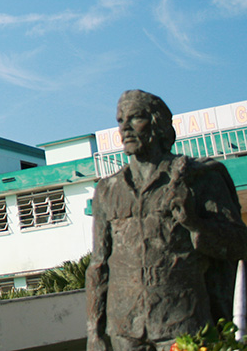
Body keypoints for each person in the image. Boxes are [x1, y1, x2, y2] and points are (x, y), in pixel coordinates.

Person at [87, 90, 247, 351]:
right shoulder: (107, 190)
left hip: (184, 324)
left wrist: (195, 224)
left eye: (135, 118)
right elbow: (98, 266)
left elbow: (240, 243)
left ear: (158, 124)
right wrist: (94, 331)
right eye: (120, 120)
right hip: (124, 329)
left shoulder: (200, 178)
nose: (124, 128)